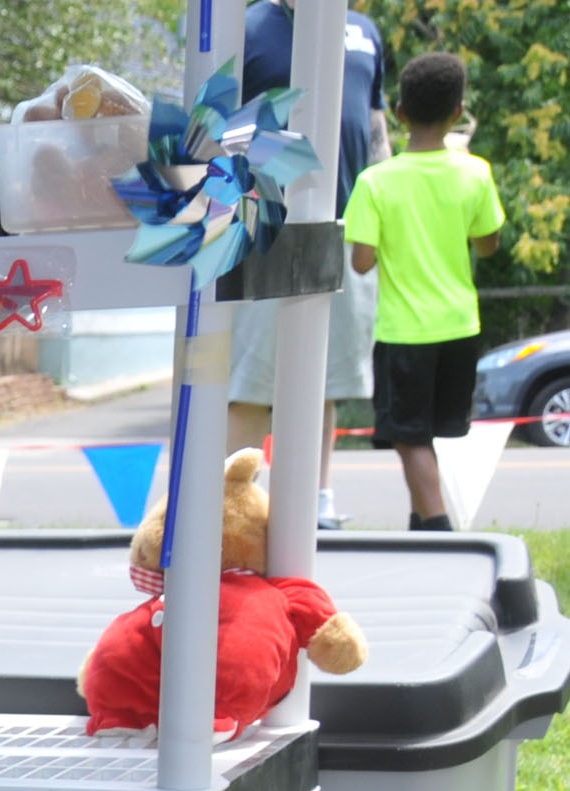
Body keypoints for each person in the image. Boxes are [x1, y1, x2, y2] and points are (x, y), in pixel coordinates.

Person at [227, 0, 390, 528]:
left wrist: (382, 211)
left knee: (323, 377)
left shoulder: (363, 32)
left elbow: (376, 127)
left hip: (344, 225)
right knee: (250, 383)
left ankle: (316, 501)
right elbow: (215, 127)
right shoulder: (247, 26)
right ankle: (235, 504)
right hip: (261, 222)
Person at [344, 52, 504, 531]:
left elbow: (361, 261)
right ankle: (420, 523)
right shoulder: (475, 172)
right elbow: (489, 244)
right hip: (460, 326)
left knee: (408, 437)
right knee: (429, 433)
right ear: (458, 112)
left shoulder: (375, 182)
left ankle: (438, 528)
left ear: (399, 113)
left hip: (404, 332)